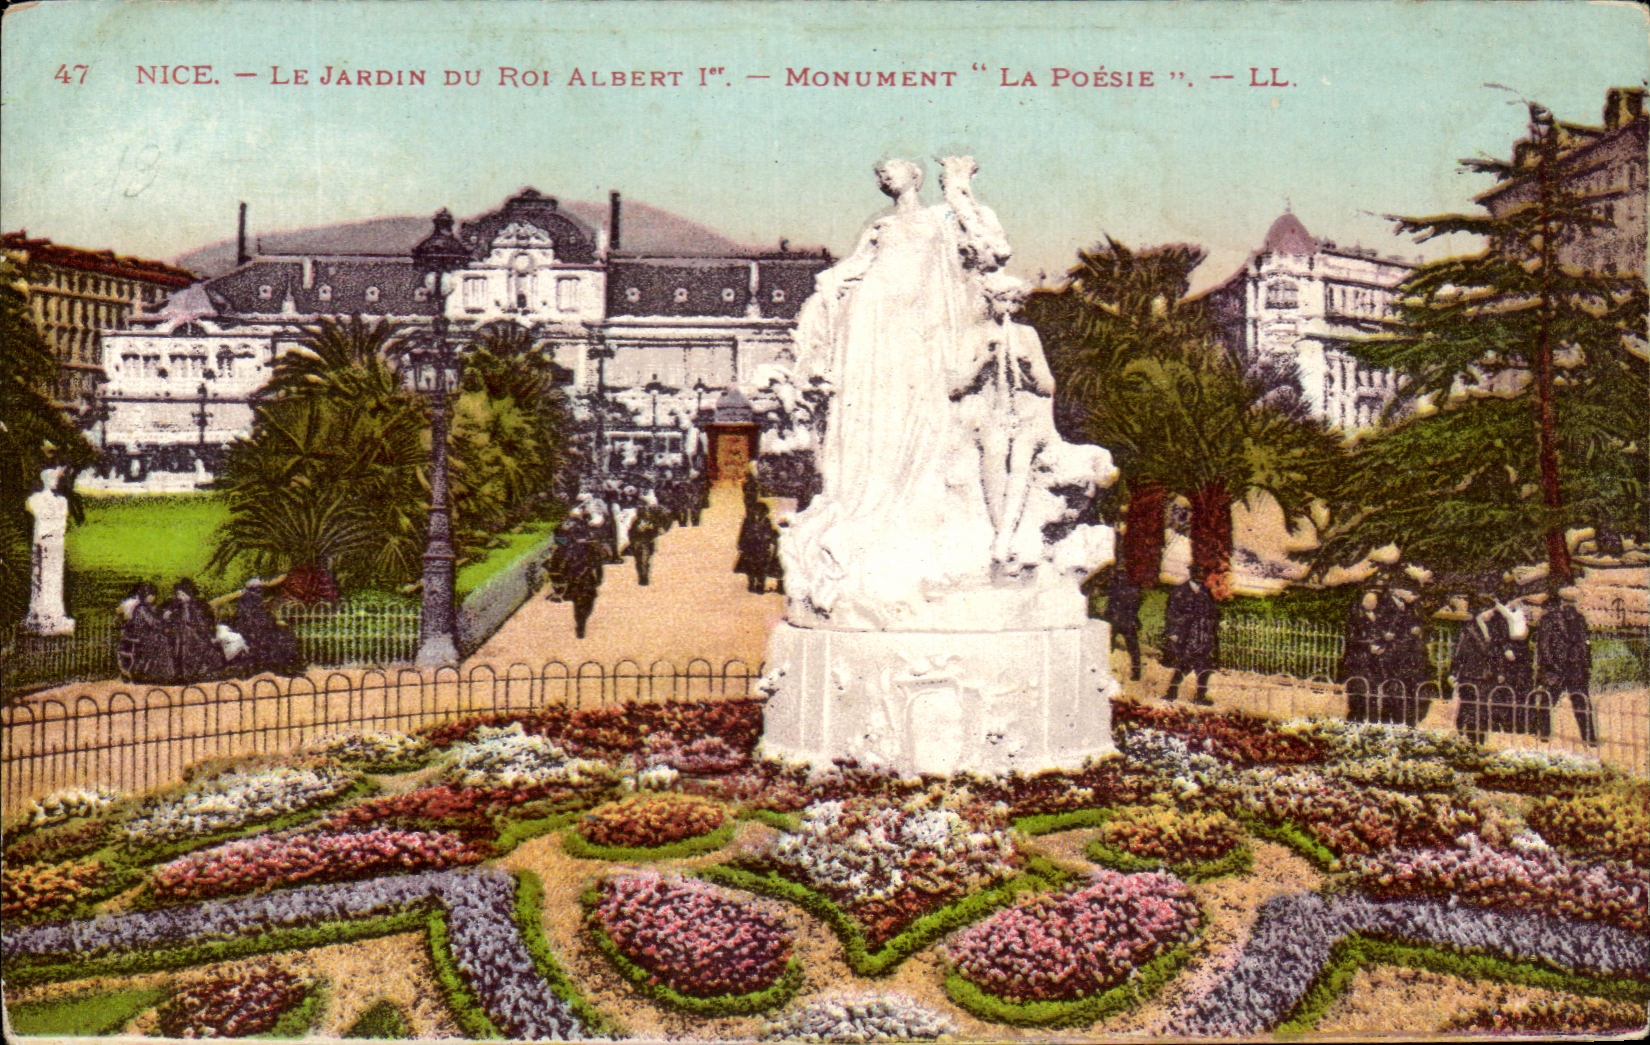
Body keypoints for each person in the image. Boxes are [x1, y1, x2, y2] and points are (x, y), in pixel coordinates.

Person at [1537, 584, 1597, 745]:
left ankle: (1589, 737)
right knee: (1547, 700)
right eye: (1567, 602)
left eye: (1572, 602)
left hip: (1575, 669)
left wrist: (1585, 664)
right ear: (1562, 602)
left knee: (1582, 703)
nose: (1570, 606)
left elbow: (1585, 644)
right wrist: (1551, 665)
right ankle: (1544, 734)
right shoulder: (1549, 619)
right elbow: (1544, 645)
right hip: (1556, 668)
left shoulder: (1580, 619)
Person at [1162, 576, 1219, 705]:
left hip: (1203, 634)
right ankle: (1172, 692)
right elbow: (1172, 613)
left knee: (1205, 668)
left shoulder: (1206, 591)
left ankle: (1199, 696)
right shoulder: (1181, 591)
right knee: (1185, 664)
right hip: (1189, 635)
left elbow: (1212, 612)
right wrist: (1173, 632)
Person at [231, 578, 303, 676]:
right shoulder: (253, 600)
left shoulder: (246, 599)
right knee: (283, 637)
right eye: (259, 588)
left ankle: (288, 664)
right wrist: (275, 622)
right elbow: (260, 620)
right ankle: (285, 666)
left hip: (252, 630)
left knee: (282, 634)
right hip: (255, 632)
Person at [162, 578, 226, 683]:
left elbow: (202, 622)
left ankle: (200, 672)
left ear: (189, 594)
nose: (180, 597)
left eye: (183, 595)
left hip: (196, 634)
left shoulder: (196, 605)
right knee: (183, 653)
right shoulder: (179, 605)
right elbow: (175, 618)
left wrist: (209, 635)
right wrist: (169, 616)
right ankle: (189, 674)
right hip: (184, 635)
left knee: (199, 651)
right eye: (178, 595)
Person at [1339, 585, 1384, 723]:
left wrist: (1381, 647)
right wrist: (1368, 647)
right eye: (1369, 601)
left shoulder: (1378, 618)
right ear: (1364, 602)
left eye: (1374, 602)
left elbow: (1380, 637)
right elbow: (1351, 640)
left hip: (1372, 663)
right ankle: (1354, 723)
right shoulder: (1355, 617)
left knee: (1372, 695)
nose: (1372, 604)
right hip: (1357, 662)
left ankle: (1369, 724)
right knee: (1357, 696)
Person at [117, 582, 176, 684]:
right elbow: (153, 623)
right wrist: (165, 620)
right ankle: (157, 674)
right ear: (146, 596)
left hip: (146, 634)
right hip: (142, 635)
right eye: (151, 595)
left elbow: (154, 621)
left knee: (162, 638)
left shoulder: (146, 607)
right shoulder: (142, 609)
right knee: (162, 641)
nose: (153, 598)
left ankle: (157, 673)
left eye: (153, 595)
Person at [1101, 568, 1143, 681]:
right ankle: (1136, 671)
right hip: (1127, 618)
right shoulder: (1133, 583)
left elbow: (1111, 598)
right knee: (1133, 647)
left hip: (1116, 618)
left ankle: (1103, 666)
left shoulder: (1115, 581)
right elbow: (1136, 602)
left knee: (1107, 642)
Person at [563, 532, 605, 639]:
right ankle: (580, 625)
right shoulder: (572, 552)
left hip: (588, 581)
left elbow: (599, 566)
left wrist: (599, 579)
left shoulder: (593, 552)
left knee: (588, 606)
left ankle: (582, 621)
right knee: (578, 605)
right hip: (577, 582)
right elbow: (565, 566)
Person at [736, 501, 780, 594]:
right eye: (757, 511)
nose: (758, 514)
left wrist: (772, 536)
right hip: (750, 548)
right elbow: (743, 533)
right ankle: (751, 583)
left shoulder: (767, 521)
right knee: (750, 568)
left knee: (762, 568)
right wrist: (741, 544)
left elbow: (768, 533)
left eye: (761, 512)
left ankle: (760, 585)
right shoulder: (748, 520)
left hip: (762, 549)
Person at [628, 504, 667, 586]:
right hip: (641, 543)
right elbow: (631, 533)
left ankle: (644, 577)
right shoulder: (636, 521)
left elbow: (658, 531)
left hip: (645, 543)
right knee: (641, 562)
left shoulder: (647, 520)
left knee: (643, 561)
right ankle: (643, 577)